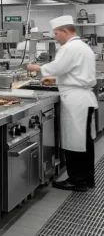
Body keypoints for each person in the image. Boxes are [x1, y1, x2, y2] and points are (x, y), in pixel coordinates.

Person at [27, 15, 98, 192]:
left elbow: (57, 67)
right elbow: (73, 72)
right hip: (82, 98)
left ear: (65, 31)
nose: (55, 37)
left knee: (76, 142)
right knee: (84, 142)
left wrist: (36, 68)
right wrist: (55, 79)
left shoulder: (70, 48)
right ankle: (87, 178)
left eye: (56, 33)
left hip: (76, 101)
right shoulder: (82, 46)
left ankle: (77, 180)